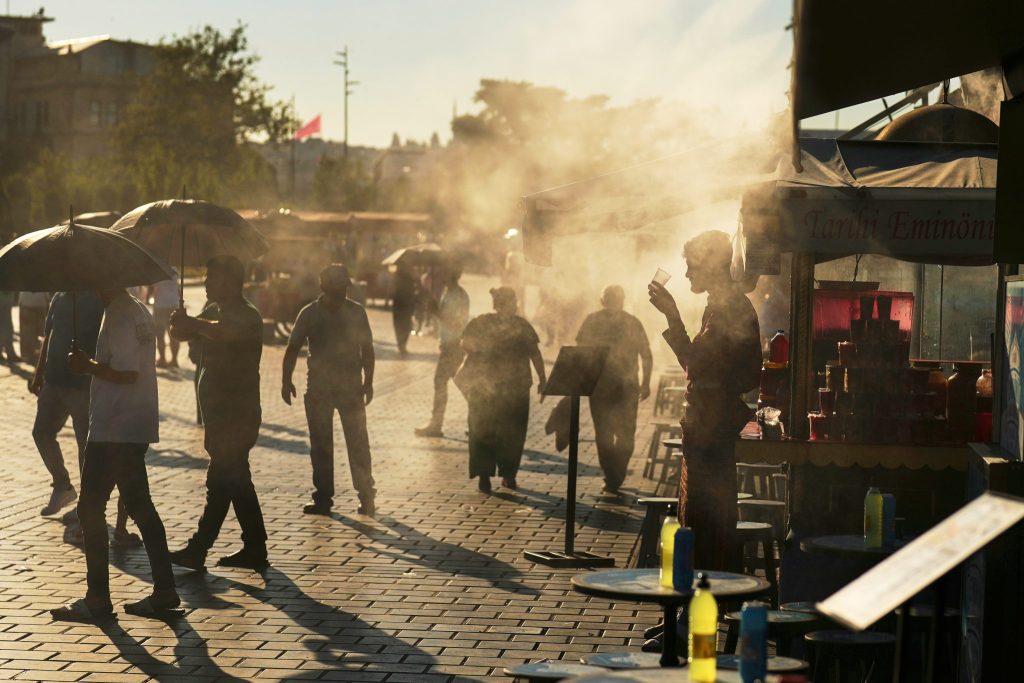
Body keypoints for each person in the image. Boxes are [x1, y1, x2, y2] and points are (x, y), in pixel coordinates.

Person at [51, 287, 178, 621]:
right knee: (141, 506)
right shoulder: (137, 308)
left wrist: (88, 366)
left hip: (114, 428)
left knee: (90, 508)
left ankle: (97, 598)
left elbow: (127, 373)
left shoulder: (120, 313)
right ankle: (165, 589)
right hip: (131, 423)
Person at [648, 230, 761, 571]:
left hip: (712, 427)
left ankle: (707, 589)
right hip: (706, 425)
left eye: (692, 266)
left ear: (711, 265)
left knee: (706, 520)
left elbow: (696, 363)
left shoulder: (729, 307)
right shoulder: (720, 305)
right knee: (700, 516)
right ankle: (701, 586)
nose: (687, 274)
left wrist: (672, 316)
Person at [168, 255, 268, 571]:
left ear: (231, 281)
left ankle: (199, 548)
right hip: (218, 414)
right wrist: (178, 323)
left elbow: (224, 333)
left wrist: (193, 324)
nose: (207, 282)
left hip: (237, 414)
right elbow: (187, 333)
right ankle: (254, 546)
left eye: (213, 277)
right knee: (235, 480)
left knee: (221, 480)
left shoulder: (247, 314)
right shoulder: (213, 310)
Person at [282, 264, 377, 516]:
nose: (341, 293)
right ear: (324, 287)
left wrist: (368, 381)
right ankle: (323, 497)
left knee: (357, 443)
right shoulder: (309, 313)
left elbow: (367, 349)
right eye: (337, 288)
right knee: (321, 445)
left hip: (350, 388)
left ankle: (366, 495)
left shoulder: (356, 312)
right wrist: (285, 380)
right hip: (319, 389)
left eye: (343, 288)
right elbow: (293, 348)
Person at [459, 287, 545, 493]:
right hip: (515, 388)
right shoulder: (522, 326)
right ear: (512, 304)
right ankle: (508, 476)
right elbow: (535, 353)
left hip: (484, 386)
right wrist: (543, 379)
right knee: (513, 433)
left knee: (481, 430)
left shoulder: (480, 322)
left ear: (495, 304)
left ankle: (484, 477)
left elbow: (464, 345)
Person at [575, 285, 653, 494]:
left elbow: (580, 352)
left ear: (602, 301)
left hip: (600, 386)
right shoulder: (632, 322)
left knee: (604, 433)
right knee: (626, 433)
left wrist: (580, 381)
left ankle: (611, 475)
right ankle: (616, 473)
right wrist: (646, 382)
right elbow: (646, 354)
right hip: (626, 386)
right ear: (622, 300)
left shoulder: (592, 321)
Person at [415, 263, 470, 437]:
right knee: (462, 383)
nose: (441, 277)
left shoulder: (457, 296)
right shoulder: (449, 292)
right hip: (450, 344)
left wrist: (436, 312)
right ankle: (479, 420)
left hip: (454, 345)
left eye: (444, 273)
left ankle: (436, 424)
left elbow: (456, 323)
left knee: (441, 382)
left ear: (452, 275)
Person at [148, 271, 181, 368]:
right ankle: (174, 360)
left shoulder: (158, 269)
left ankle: (163, 359)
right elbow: (177, 288)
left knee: (160, 334)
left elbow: (153, 288)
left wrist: (147, 298)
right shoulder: (174, 270)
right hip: (174, 304)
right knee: (174, 333)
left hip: (160, 305)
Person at [391, 262, 417, 356]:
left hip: (399, 304)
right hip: (406, 304)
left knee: (399, 324)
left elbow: (393, 291)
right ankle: (402, 344)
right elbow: (413, 292)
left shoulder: (396, 277)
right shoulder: (409, 277)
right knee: (405, 325)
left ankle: (400, 343)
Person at [19, 291, 48, 363]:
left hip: (26, 302)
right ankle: (39, 354)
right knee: (40, 331)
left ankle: (27, 354)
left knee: (27, 331)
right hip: (41, 301)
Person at [0, 290, 18, 362]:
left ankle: (9, 353)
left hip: (5, 298)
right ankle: (10, 354)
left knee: (5, 326)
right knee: (7, 327)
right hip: (4, 298)